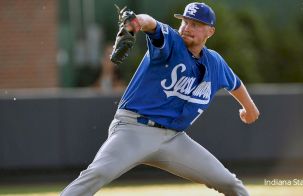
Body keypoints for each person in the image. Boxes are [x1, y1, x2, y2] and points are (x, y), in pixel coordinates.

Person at [61, 2, 259, 196]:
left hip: (173, 139)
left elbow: (235, 83)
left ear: (210, 32)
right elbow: (150, 23)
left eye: (195, 24)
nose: (187, 28)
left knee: (230, 183)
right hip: (134, 129)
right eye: (185, 22)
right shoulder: (172, 42)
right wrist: (135, 23)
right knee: (97, 174)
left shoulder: (215, 62)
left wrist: (250, 109)